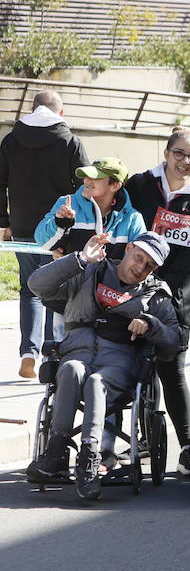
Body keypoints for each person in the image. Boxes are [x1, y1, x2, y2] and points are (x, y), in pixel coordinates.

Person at [25, 231, 179, 500]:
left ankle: (89, 459)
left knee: (97, 382)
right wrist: (80, 259)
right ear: (129, 248)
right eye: (139, 257)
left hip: (119, 362)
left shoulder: (156, 295)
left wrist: (151, 325)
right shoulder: (91, 270)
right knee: (72, 370)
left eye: (149, 265)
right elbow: (36, 285)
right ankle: (56, 451)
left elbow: (172, 343)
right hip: (77, 351)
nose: (140, 267)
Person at [124, 128, 190, 476]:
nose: (185, 161)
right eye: (180, 153)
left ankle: (188, 447)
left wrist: (158, 288)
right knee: (132, 360)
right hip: (129, 284)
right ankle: (145, 439)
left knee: (171, 367)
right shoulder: (140, 184)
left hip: (175, 293)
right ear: (166, 152)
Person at [0, 89, 88, 379]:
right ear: (59, 113)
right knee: (58, 288)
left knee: (30, 289)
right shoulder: (70, 142)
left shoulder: (11, 140)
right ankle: (52, 353)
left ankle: (28, 352)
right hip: (60, 226)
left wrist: (4, 221)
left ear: (33, 108)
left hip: (23, 225)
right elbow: (84, 185)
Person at [36, 157, 145, 261]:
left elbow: (137, 261)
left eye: (96, 177)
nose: (87, 180)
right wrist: (60, 223)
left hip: (110, 281)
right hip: (71, 280)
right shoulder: (66, 203)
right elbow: (43, 242)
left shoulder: (133, 219)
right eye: (86, 175)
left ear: (115, 185)